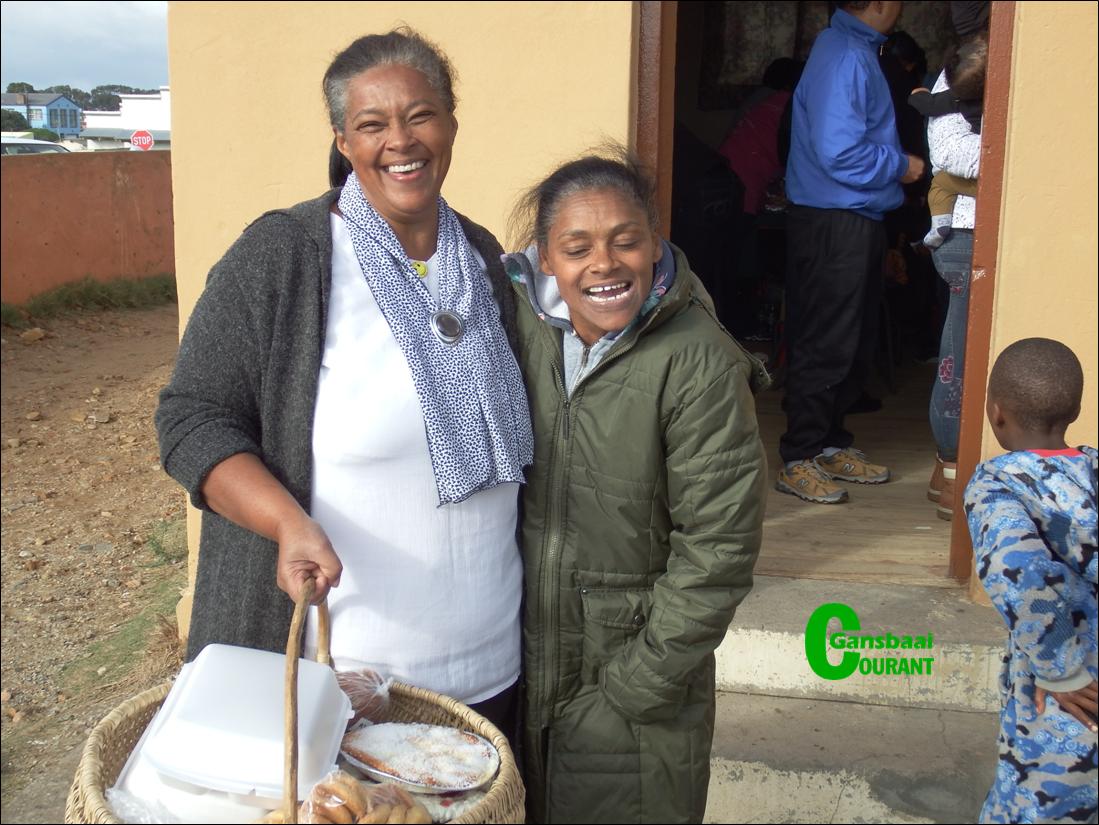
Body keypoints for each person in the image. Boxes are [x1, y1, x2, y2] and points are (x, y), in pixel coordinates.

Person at [154, 28, 533, 735]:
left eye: (420, 115)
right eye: (372, 124)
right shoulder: (285, 256)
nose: (401, 140)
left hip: (490, 666)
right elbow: (192, 418)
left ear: (451, 124)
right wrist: (285, 521)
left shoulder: (481, 256)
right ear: (343, 140)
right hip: (339, 676)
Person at [502, 150, 768, 824]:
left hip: (632, 679)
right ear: (545, 259)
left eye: (625, 241)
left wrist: (636, 685)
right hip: (521, 664)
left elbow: (718, 549)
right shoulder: (517, 329)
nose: (604, 264)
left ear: (654, 243)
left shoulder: (697, 360)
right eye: (577, 248)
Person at [776, 0, 925, 504]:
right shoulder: (843, 55)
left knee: (852, 340)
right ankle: (799, 455)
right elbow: (839, 152)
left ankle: (829, 444)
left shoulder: (856, 49)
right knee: (826, 340)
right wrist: (900, 165)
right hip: (833, 220)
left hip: (854, 218)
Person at [963, 338, 1097, 824]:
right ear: (1075, 410)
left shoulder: (998, 483)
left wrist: (1062, 670)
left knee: (1029, 808)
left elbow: (1020, 574)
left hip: (1068, 702)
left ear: (996, 413)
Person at [924, 1, 989, 520]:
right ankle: (951, 466)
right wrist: (1019, 146)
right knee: (960, 356)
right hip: (966, 234)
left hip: (999, 228)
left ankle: (947, 467)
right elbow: (952, 155)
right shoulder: (957, 74)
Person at [908, 33, 987, 249]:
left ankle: (939, 224)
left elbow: (928, 104)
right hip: (1003, 183)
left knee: (941, 182)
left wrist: (917, 93)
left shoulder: (957, 99)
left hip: (982, 186)